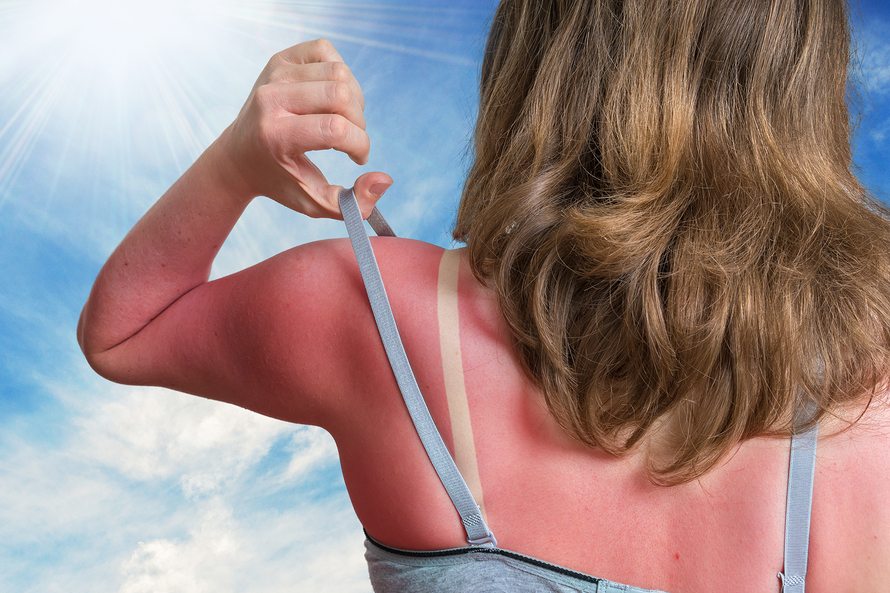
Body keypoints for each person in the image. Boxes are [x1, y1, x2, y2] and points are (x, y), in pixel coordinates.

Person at [76, 1, 890, 591]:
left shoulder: (373, 312)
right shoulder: (870, 391)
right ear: (801, 81)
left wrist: (237, 165)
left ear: (534, 57)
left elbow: (124, 331)